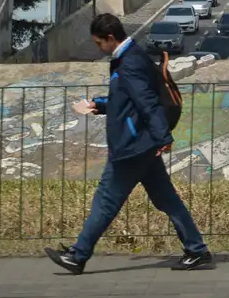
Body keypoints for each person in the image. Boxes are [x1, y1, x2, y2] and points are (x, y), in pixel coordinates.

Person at [45, 14, 211, 274]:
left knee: (106, 200)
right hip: (142, 145)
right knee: (166, 199)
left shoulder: (130, 62)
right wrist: (98, 105)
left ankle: (78, 256)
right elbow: (127, 101)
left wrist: (164, 138)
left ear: (110, 39)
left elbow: (147, 104)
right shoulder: (130, 57)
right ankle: (196, 249)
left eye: (99, 43)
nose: (98, 48)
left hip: (132, 146)